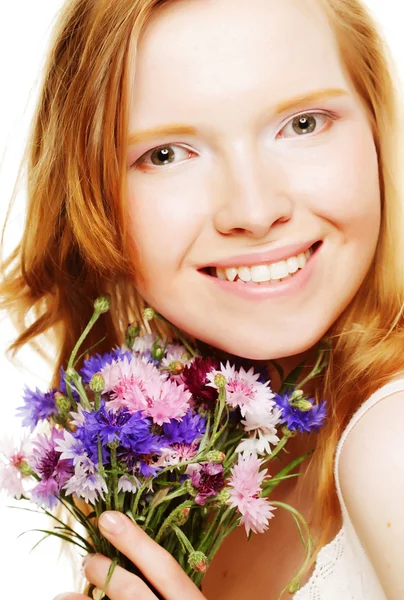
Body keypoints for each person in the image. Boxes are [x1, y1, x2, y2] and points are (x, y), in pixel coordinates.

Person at [1, 0, 403, 598]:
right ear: (90, 199)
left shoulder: (389, 441)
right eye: (164, 155)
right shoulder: (164, 465)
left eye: (303, 123)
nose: (254, 209)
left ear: (377, 127)